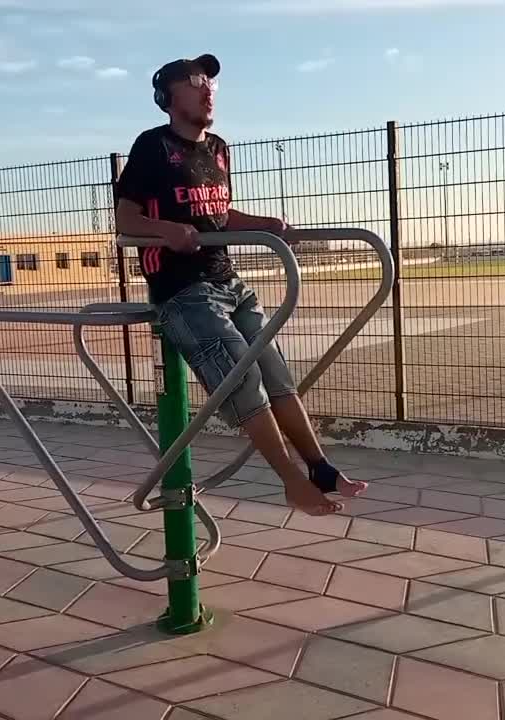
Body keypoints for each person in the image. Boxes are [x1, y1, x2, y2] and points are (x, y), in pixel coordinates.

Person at [113, 53, 366, 516]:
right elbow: (125, 216)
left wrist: (265, 223)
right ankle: (291, 483)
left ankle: (320, 467)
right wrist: (165, 229)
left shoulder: (217, 148)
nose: (208, 88)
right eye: (194, 82)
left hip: (227, 282)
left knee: (276, 373)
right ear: (167, 98)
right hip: (183, 291)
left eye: (210, 82)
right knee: (243, 380)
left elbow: (219, 215)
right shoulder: (152, 146)